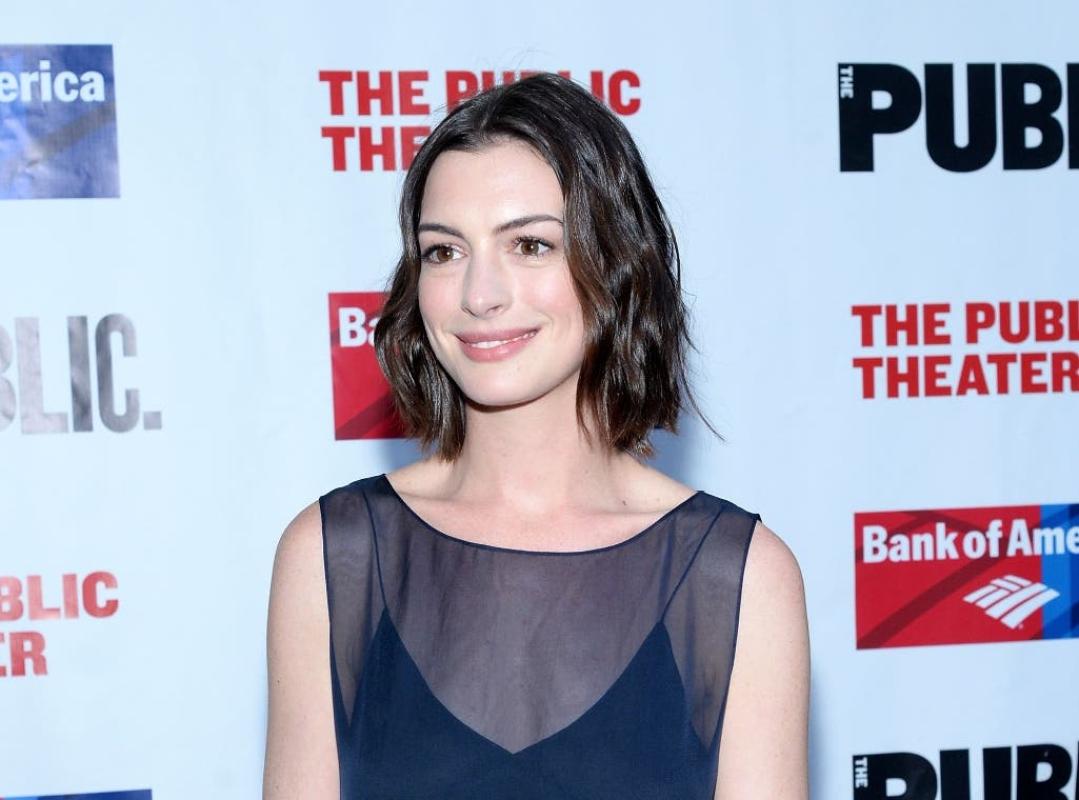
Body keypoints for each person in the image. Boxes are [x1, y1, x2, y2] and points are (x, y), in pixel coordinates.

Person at [263, 72, 809, 799]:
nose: (479, 295)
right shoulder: (334, 557)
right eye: (444, 251)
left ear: (615, 263)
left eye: (529, 245)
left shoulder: (737, 578)